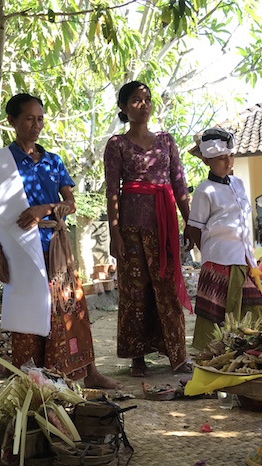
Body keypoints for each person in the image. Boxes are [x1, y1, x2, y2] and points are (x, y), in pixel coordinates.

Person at [0, 93, 120, 389]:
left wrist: (44, 209)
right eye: (29, 118)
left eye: (40, 118)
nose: (36, 124)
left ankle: (87, 373)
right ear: (12, 121)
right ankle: (30, 381)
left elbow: (71, 204)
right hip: (18, 249)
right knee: (28, 314)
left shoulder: (53, 162)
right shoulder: (1, 165)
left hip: (55, 245)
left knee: (71, 307)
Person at [104, 81, 193, 377]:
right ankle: (137, 356)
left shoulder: (166, 141)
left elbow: (179, 184)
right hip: (130, 228)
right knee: (134, 291)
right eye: (136, 100)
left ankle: (177, 354)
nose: (144, 104)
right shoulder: (116, 145)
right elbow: (112, 191)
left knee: (167, 289)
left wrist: (190, 222)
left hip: (164, 225)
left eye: (147, 99)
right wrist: (114, 233)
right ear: (123, 107)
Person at [184, 127, 262, 350]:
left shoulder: (238, 184)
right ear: (206, 161)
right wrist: (210, 258)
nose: (228, 161)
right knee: (217, 314)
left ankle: (249, 352)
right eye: (221, 158)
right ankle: (213, 359)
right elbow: (195, 228)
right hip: (219, 261)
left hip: (244, 258)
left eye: (230, 156)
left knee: (253, 306)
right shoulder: (204, 190)